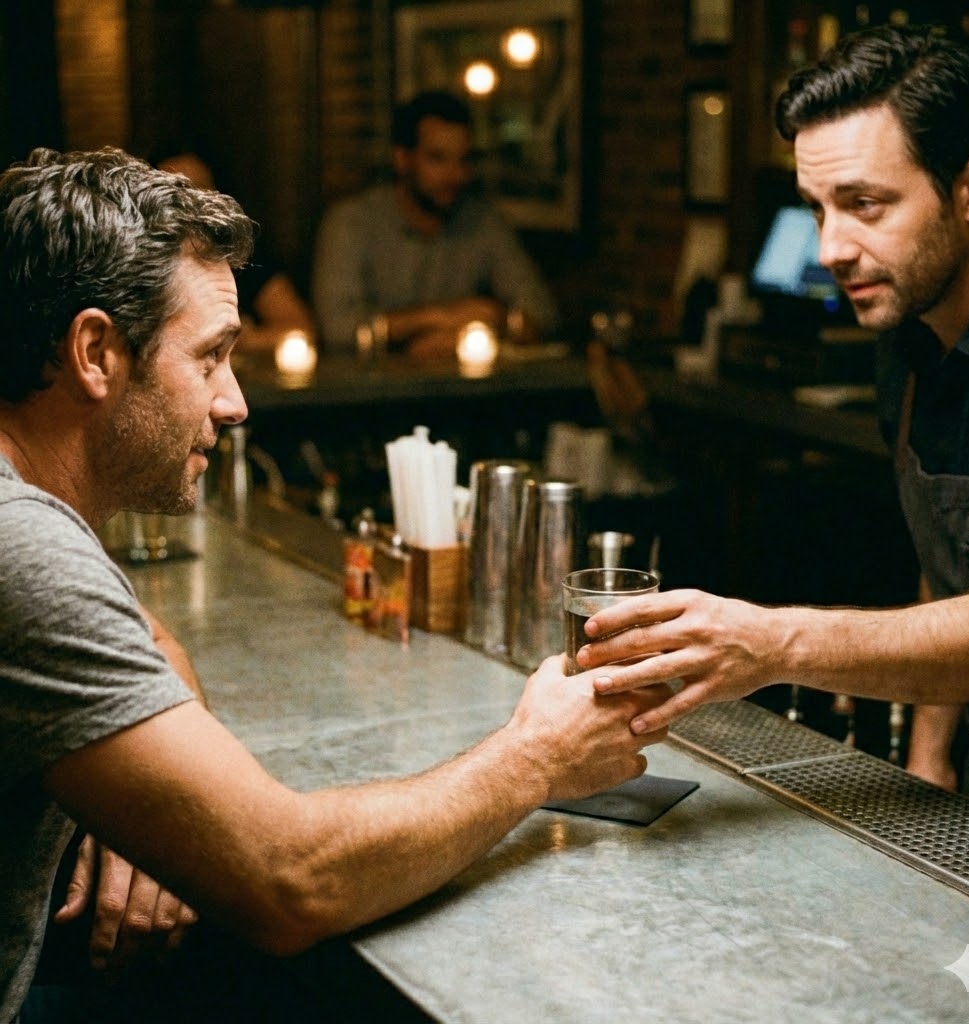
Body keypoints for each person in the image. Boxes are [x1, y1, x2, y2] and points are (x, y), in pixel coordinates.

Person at [0, 145, 671, 1022]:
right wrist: (536, 757)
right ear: (95, 352)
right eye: (209, 358)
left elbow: (147, 633)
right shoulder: (22, 545)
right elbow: (289, 880)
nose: (235, 402)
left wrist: (138, 802)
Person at [574, 23, 969, 820]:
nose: (831, 248)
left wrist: (774, 644)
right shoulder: (908, 339)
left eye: (865, 205)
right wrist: (928, 761)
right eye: (816, 208)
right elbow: (953, 563)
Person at [311, 90, 559, 359]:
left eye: (464, 160)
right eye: (438, 159)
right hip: (368, 393)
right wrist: (438, 318)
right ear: (402, 158)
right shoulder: (352, 222)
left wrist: (490, 324)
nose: (456, 175)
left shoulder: (483, 221)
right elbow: (336, 328)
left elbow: (542, 312)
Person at [152, 146, 317, 353]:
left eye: (198, 189)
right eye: (175, 192)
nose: (188, 203)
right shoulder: (139, 263)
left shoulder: (240, 252)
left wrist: (239, 340)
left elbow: (301, 329)